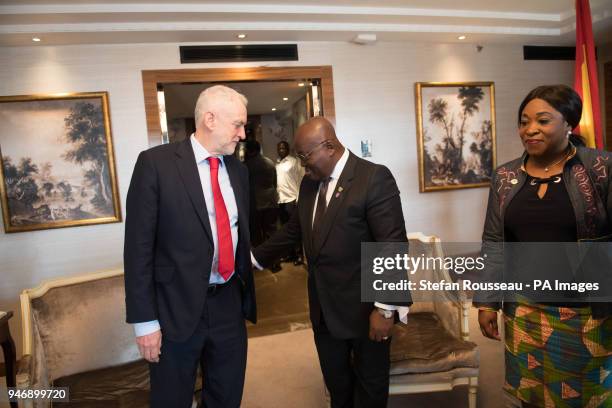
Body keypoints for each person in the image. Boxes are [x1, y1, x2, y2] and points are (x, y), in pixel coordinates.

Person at [253, 117, 411, 408]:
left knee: (370, 389)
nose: (302, 164)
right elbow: (295, 231)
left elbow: (393, 245)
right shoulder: (310, 184)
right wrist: (255, 257)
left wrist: (386, 308)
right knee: (338, 387)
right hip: (323, 309)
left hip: (366, 310)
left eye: (304, 156)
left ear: (328, 146)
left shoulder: (373, 178)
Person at [475, 85, 612, 408]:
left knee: (588, 397)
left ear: (569, 124)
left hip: (587, 313)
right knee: (532, 396)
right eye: (524, 121)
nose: (530, 129)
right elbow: (494, 241)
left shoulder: (601, 169)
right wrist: (487, 301)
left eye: (543, 120)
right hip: (524, 309)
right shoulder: (505, 176)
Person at [124, 85, 256, 408]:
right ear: (210, 119)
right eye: (237, 124)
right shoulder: (155, 164)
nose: (242, 134)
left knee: (226, 396)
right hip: (174, 309)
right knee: (172, 399)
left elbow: (236, 232)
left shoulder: (238, 171)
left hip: (227, 302)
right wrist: (145, 322)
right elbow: (137, 248)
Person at [275, 140, 305, 265]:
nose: (281, 150)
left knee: (295, 229)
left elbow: (301, 179)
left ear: (287, 149)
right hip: (280, 200)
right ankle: (290, 254)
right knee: (285, 230)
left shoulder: (294, 162)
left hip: (291, 200)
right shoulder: (277, 163)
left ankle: (299, 255)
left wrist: (299, 197)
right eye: (279, 148)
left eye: (283, 148)